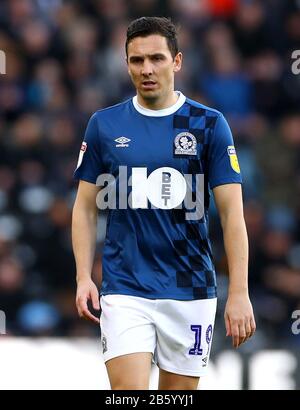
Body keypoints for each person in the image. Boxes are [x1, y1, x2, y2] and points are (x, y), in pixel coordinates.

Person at [72, 16, 256, 390]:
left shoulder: (208, 125)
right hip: (125, 287)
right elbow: (85, 207)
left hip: (189, 289)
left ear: (177, 61)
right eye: (137, 61)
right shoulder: (104, 125)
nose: (146, 69)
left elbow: (233, 215)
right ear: (126, 64)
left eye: (156, 58)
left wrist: (239, 292)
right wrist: (82, 276)